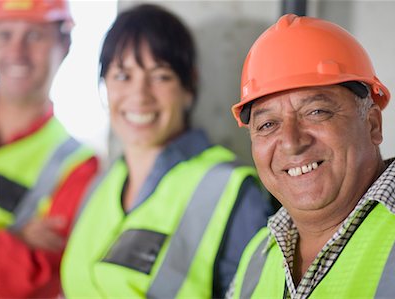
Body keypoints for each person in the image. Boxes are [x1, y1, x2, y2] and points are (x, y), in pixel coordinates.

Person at [60, 4, 273, 298]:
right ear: (104, 85)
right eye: (123, 76)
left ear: (189, 87)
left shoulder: (230, 190)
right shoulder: (100, 185)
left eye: (160, 76)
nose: (140, 95)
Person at [228, 14, 395, 299]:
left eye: (316, 112)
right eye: (268, 125)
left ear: (372, 124)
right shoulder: (256, 258)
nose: (292, 143)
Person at [0, 0, 99, 298]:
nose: (17, 52)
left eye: (34, 36)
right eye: (4, 35)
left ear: (64, 43)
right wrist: (13, 239)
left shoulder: (78, 166)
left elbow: (32, 278)